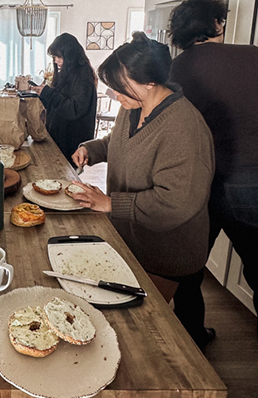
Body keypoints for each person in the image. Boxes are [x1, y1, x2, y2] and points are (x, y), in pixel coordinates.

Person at [68, 32, 216, 347]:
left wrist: (109, 204)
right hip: (137, 238)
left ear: (149, 82)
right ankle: (199, 339)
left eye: (118, 87)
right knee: (186, 304)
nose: (112, 94)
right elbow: (118, 143)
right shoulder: (134, 106)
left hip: (169, 247)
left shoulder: (184, 128)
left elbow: (176, 204)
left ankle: (197, 350)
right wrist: (90, 149)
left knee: (162, 330)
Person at [167, 0, 258, 398]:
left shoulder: (176, 69)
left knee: (188, 269)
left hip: (199, 181)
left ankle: (191, 344)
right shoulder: (255, 57)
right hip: (252, 182)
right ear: (217, 23)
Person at [25, 33, 98, 161]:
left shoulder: (83, 76)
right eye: (54, 57)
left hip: (71, 141)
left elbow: (73, 109)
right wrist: (42, 95)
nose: (56, 61)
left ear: (70, 55)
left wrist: (49, 93)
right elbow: (56, 105)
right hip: (60, 136)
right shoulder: (67, 72)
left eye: (59, 57)